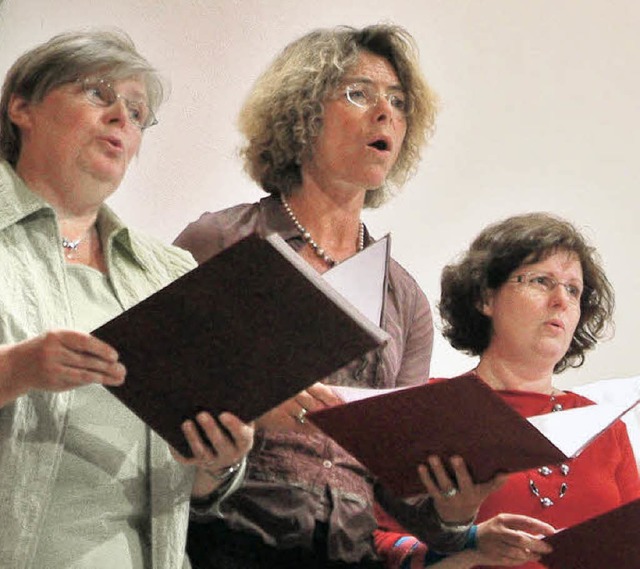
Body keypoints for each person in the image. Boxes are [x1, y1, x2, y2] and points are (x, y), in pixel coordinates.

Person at [174, 24, 437, 569]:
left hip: (350, 551)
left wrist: (459, 512)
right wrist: (250, 407)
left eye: (398, 101)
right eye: (359, 93)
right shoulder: (222, 240)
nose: (385, 113)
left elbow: (397, 479)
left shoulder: (405, 298)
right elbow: (156, 389)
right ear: (303, 112)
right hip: (224, 536)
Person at [0, 29, 254, 569]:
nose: (122, 117)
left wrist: (216, 464)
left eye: (137, 113)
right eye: (98, 94)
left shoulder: (169, 272)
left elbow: (193, 485)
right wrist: (16, 369)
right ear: (22, 106)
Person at [373, 212, 640, 568]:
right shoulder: (432, 408)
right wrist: (467, 545)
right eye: (541, 281)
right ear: (486, 298)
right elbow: (376, 542)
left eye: (573, 289)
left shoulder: (607, 427)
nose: (561, 299)